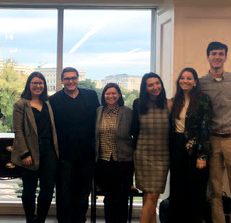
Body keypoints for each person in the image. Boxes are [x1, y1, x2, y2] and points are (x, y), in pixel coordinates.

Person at [198, 41, 231, 223]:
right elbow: (189, 102)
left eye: (220, 53)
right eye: (214, 54)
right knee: (214, 191)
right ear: (208, 57)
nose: (217, 57)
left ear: (225, 57)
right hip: (213, 140)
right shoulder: (201, 83)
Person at [49, 67, 100, 223]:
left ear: (78, 79)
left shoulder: (91, 96)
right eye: (67, 78)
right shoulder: (54, 100)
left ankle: (80, 220)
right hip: (65, 154)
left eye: (73, 78)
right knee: (64, 193)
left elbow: (99, 120)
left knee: (83, 193)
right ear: (62, 81)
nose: (70, 81)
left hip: (87, 153)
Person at [11, 72, 59, 223]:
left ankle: (40, 220)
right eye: (34, 83)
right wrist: (25, 154)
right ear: (29, 85)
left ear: (44, 85)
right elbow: (18, 131)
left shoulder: (48, 103)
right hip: (30, 152)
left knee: (47, 189)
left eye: (40, 83)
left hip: (49, 152)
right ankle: (30, 219)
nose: (38, 86)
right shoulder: (21, 104)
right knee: (29, 191)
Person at [168, 68, 213, 223]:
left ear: (195, 81)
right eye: (182, 78)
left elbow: (205, 128)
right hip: (177, 147)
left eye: (189, 78)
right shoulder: (175, 100)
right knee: (177, 188)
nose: (185, 81)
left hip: (195, 149)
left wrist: (202, 155)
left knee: (195, 190)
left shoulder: (203, 99)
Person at [131, 72, 171, 223]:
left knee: (153, 195)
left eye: (157, 83)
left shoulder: (170, 104)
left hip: (162, 156)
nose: (155, 87)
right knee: (149, 195)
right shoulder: (138, 104)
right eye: (150, 85)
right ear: (145, 88)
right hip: (143, 154)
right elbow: (134, 130)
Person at [94, 83, 133, 223]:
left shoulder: (127, 112)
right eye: (107, 93)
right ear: (103, 95)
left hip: (123, 161)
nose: (110, 96)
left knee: (122, 197)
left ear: (119, 95)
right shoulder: (99, 111)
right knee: (109, 197)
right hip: (103, 161)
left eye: (114, 93)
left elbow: (134, 133)